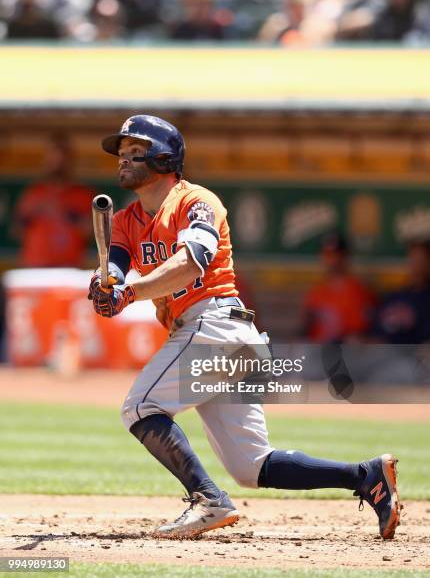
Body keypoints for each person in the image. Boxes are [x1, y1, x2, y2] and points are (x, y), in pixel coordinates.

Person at [88, 114, 401, 540]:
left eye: (133, 151)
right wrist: (106, 287)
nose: (122, 160)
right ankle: (366, 476)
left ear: (164, 157)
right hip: (220, 339)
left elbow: (189, 263)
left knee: (140, 407)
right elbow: (118, 271)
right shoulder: (125, 220)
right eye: (120, 153)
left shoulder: (197, 201)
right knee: (251, 467)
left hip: (216, 326)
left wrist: (129, 292)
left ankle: (207, 501)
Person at [13, 135, 94, 268]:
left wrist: (69, 213)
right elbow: (16, 229)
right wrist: (35, 213)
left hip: (69, 268)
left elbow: (92, 232)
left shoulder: (83, 194)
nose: (57, 163)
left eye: (62, 158)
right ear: (46, 161)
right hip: (35, 266)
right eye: (53, 158)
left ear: (70, 161)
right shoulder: (34, 193)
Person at [302, 232, 376, 342]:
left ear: (345, 256)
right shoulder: (317, 291)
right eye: (327, 254)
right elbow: (305, 328)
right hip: (316, 349)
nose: (332, 260)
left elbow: (357, 334)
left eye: (335, 254)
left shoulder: (358, 291)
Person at [373, 240, 430, 343]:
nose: (418, 267)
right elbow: (375, 330)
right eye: (414, 260)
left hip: (409, 355)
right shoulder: (394, 296)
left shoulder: (426, 300)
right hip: (381, 353)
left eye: (422, 261)